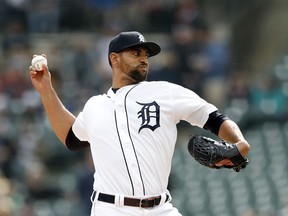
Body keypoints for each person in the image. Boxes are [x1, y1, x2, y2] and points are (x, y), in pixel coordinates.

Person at [29, 31, 250, 216]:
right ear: (114, 59)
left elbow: (215, 119)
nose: (144, 58)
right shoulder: (95, 105)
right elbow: (71, 138)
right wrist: (46, 89)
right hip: (112, 209)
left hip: (161, 208)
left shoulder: (165, 92)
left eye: (146, 54)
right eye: (136, 53)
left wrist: (239, 142)